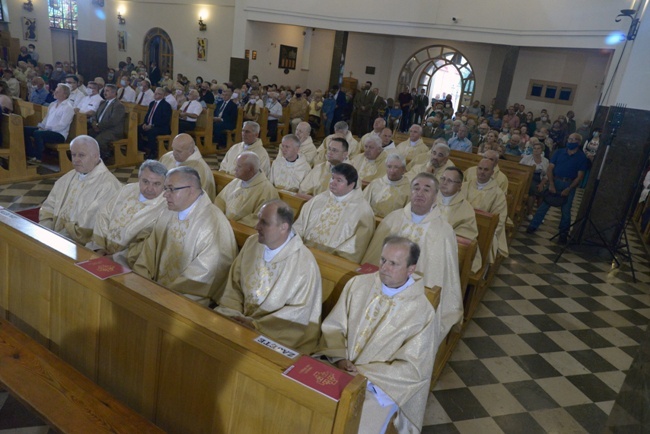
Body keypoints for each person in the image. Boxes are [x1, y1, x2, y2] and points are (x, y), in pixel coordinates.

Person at [317, 236, 436, 434]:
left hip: (380, 387)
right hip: (337, 367)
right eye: (382, 260)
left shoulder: (422, 312)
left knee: (355, 423)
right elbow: (334, 326)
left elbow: (414, 368)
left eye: (393, 263)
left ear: (411, 269)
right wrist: (339, 358)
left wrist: (363, 374)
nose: (384, 267)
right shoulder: (358, 285)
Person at [362, 172, 462, 343]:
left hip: (417, 301)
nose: (420, 193)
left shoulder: (443, 231)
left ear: (435, 195)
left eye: (427, 189)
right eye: (416, 188)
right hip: (382, 291)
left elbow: (442, 274)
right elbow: (372, 258)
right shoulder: (393, 219)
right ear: (410, 191)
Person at [214, 200, 322, 353]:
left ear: (283, 227)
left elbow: (299, 312)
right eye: (258, 219)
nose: (256, 226)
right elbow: (234, 284)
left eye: (264, 222)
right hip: (236, 317)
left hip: (274, 333)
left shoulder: (304, 264)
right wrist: (234, 313)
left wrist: (256, 325)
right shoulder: (252, 243)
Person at [132, 166, 237, 306]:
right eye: (166, 188)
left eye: (171, 189)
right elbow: (149, 251)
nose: (165, 195)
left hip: (187, 301)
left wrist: (163, 296)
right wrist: (143, 282)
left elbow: (207, 276)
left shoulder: (213, 223)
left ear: (191, 190)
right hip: (155, 291)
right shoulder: (170, 211)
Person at [39, 136, 121, 244]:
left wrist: (56, 240)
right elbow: (48, 208)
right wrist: (45, 231)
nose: (76, 159)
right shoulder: (68, 177)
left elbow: (85, 228)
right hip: (54, 238)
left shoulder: (108, 186)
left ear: (95, 156)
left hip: (79, 245)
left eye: (81, 155)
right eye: (73, 155)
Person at [87, 160, 167, 265]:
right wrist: (99, 247)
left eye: (156, 184)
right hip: (102, 252)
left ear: (164, 184)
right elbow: (104, 214)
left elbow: (148, 244)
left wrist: (115, 258)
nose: (150, 188)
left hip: (130, 264)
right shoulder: (127, 190)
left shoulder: (166, 206)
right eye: (145, 181)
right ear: (139, 179)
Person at [294, 163, 374, 263]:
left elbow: (356, 245)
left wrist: (333, 260)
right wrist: (296, 247)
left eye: (339, 180)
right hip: (303, 254)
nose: (333, 182)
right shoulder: (318, 199)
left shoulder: (362, 210)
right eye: (332, 178)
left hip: (331, 262)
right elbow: (299, 225)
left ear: (352, 185)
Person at [526, 133, 589, 244]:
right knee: (544, 206)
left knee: (566, 210)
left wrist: (569, 188)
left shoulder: (581, 157)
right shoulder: (559, 152)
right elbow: (550, 168)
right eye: (569, 139)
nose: (570, 141)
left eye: (573, 140)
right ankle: (533, 226)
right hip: (555, 180)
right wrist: (551, 184)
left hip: (569, 183)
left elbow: (580, 176)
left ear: (578, 142)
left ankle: (563, 234)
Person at [215, 152, 279, 227]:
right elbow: (220, 200)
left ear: (250, 169)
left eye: (239, 166)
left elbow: (257, 219)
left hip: (240, 230)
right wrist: (220, 217)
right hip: (224, 224)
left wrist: (231, 224)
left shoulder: (267, 190)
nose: (235, 169)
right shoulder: (237, 181)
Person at [463, 157, 509, 260]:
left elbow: (500, 220)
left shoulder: (498, 194)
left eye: (486, 170)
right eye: (480, 168)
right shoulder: (464, 186)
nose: (482, 172)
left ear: (492, 172)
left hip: (483, 232)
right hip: (462, 227)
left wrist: (487, 234)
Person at [437, 167, 481, 273]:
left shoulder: (466, 209)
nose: (444, 183)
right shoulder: (429, 197)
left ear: (459, 186)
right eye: (443, 178)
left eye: (450, 181)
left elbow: (464, 240)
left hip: (447, 253)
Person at [23, 83, 75, 164]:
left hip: (59, 134)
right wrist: (41, 126)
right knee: (25, 130)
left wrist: (46, 128)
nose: (55, 93)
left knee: (38, 134)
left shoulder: (68, 107)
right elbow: (46, 119)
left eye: (58, 92)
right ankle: (30, 154)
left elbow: (62, 125)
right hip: (47, 130)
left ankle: (38, 158)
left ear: (65, 94)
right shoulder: (53, 104)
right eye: (55, 91)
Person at [159, 133, 216, 201]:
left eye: (179, 151)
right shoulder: (167, 157)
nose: (174, 153)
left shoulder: (200, 168)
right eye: (173, 149)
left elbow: (199, 198)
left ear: (190, 151)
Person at [363, 153, 411, 218]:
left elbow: (407, 214)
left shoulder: (409, 189)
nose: (392, 170)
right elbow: (363, 203)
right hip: (370, 220)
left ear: (403, 170)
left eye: (396, 167)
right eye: (389, 166)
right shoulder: (375, 183)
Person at [87, 84, 125, 161]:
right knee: (87, 136)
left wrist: (98, 126)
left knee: (99, 140)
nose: (104, 93)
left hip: (112, 131)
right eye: (104, 90)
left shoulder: (118, 105)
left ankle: (105, 155)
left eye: (107, 91)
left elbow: (113, 121)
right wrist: (94, 123)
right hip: (100, 128)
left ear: (114, 93)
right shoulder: (103, 103)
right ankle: (92, 157)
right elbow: (94, 115)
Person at [138, 87, 172, 159]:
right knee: (137, 128)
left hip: (161, 127)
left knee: (151, 132)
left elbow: (165, 120)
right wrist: (145, 123)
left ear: (163, 95)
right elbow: (148, 115)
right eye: (155, 93)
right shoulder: (152, 103)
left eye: (158, 94)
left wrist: (152, 125)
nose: (156, 95)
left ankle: (152, 152)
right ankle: (142, 148)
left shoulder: (166, 105)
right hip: (150, 125)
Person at [520, 141, 549, 220]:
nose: (536, 150)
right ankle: (530, 213)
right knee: (533, 191)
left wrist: (542, 184)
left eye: (538, 149)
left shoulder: (545, 161)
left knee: (543, 192)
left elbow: (546, 175)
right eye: (534, 148)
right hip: (528, 178)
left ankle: (539, 215)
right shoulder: (526, 158)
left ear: (542, 150)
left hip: (540, 179)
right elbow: (520, 169)